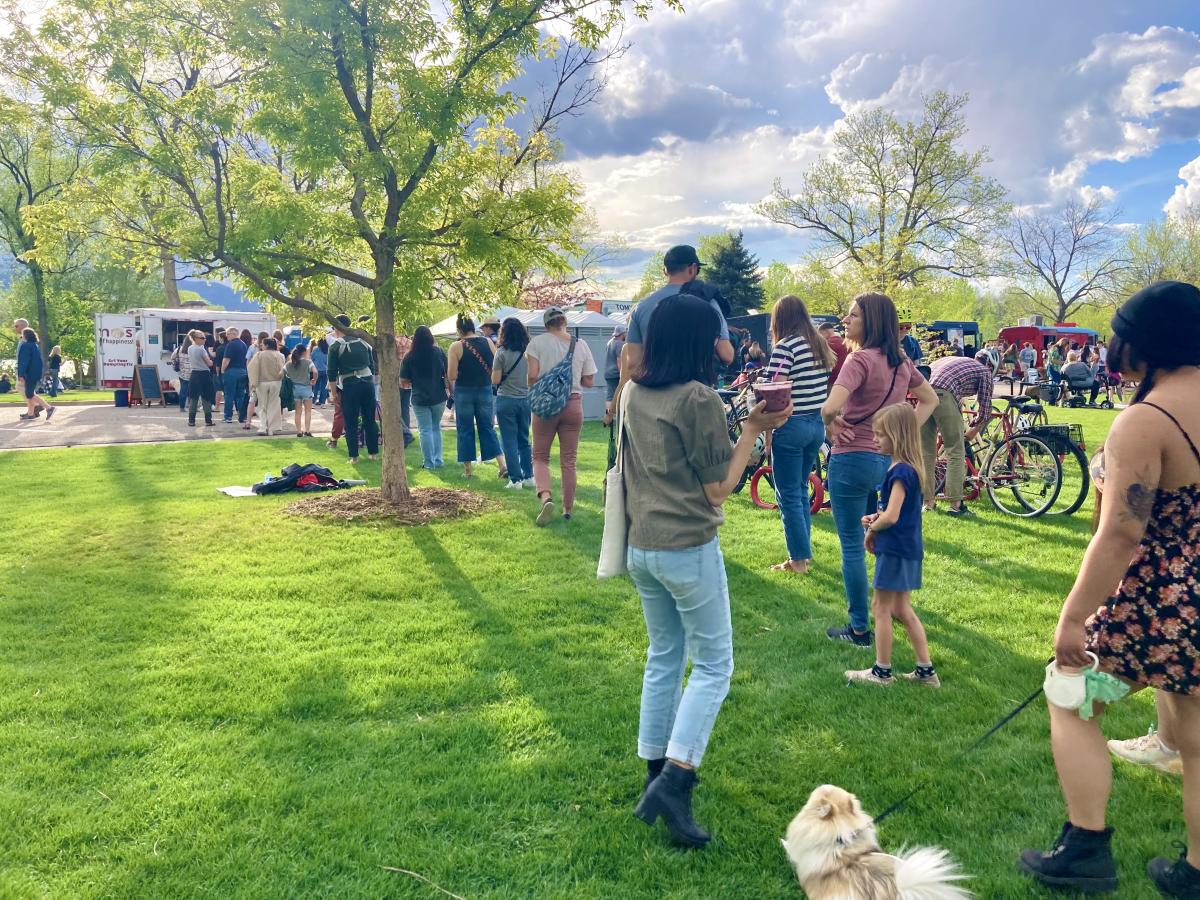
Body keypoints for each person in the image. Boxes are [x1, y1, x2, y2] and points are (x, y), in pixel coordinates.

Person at [1019, 281, 1200, 896]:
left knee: (1068, 694)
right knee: (1197, 738)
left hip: (1164, 599)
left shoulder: (1147, 420)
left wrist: (1073, 620)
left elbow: (1121, 534)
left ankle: (1086, 847)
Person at [624, 292, 792, 848]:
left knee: (664, 657)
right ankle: (676, 778)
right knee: (715, 666)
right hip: (686, 545)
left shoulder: (632, 392)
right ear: (698, 343)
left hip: (642, 544)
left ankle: (655, 774)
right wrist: (753, 431)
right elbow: (719, 486)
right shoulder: (696, 398)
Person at [820, 293, 937, 647]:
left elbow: (829, 406)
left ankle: (860, 628)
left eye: (853, 315)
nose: (845, 319)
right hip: (885, 462)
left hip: (852, 459)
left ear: (869, 322)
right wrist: (902, 434)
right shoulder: (901, 361)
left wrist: (831, 424)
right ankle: (887, 611)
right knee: (878, 537)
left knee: (853, 546)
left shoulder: (859, 360)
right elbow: (930, 399)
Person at [847, 402, 940, 687]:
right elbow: (894, 511)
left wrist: (873, 528)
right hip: (907, 550)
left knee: (880, 607)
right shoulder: (908, 470)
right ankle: (926, 672)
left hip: (896, 550)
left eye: (880, 435)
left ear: (897, 436)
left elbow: (893, 515)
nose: (875, 440)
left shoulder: (900, 472)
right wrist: (876, 516)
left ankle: (882, 672)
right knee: (901, 609)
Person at [764, 295, 833, 575]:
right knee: (800, 491)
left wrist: (768, 431)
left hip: (791, 426)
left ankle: (798, 560)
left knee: (789, 494)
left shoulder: (785, 347)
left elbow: (775, 394)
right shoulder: (819, 345)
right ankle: (803, 553)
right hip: (816, 426)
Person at [616, 244, 735, 407]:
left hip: (650, 400)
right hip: (694, 397)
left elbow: (633, 363)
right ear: (692, 268)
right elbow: (726, 355)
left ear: (665, 270)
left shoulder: (641, 307)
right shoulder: (707, 302)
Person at [528, 306, 596, 524]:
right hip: (573, 405)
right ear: (564, 322)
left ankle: (546, 497)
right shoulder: (581, 344)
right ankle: (568, 509)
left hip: (546, 406)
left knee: (540, 456)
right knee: (569, 460)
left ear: (546, 325)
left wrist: (543, 386)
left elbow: (532, 375)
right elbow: (589, 381)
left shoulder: (537, 343)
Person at [921, 354, 993, 517]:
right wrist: (973, 429)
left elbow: (956, 397)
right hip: (943, 394)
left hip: (923, 393)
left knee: (926, 452)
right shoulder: (984, 372)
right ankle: (956, 505)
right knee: (955, 451)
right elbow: (985, 410)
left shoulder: (955, 361)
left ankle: (928, 503)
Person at [447, 316, 505, 479]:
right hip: (485, 390)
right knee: (487, 427)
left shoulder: (456, 346)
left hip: (464, 391)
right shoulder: (487, 342)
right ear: (474, 328)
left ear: (459, 330)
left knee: (465, 429)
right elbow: (496, 365)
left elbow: (451, 375)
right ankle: (502, 465)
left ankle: (468, 471)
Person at [327, 315, 378, 463]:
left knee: (350, 421)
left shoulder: (336, 346)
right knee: (370, 419)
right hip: (367, 382)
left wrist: (333, 393)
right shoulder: (363, 342)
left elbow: (332, 373)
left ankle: (354, 456)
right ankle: (373, 453)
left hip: (350, 384)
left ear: (337, 327)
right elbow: (372, 365)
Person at [492, 317, 534, 489]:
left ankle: (515, 479)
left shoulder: (501, 353)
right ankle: (529, 476)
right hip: (525, 399)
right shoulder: (529, 352)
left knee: (509, 441)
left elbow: (495, 380)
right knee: (524, 439)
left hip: (506, 400)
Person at [400, 326, 450, 470]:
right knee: (435, 428)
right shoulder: (439, 352)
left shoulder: (409, 356)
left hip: (419, 397)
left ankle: (428, 463)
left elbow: (403, 380)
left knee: (425, 430)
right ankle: (438, 460)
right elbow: (446, 373)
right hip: (439, 395)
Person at [248, 336, 286, 436]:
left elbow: (252, 368)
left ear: (267, 345)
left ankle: (262, 427)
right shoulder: (280, 355)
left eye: (263, 344)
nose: (261, 345)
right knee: (274, 405)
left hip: (262, 382)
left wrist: (253, 383)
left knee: (262, 405)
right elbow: (283, 370)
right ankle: (272, 428)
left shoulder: (259, 355)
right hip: (276, 382)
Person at [16, 327, 53, 421]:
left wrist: (21, 374)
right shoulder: (34, 345)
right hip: (36, 372)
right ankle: (31, 414)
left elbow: (23, 361)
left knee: (29, 393)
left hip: (29, 373)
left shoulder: (25, 346)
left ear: (25, 336)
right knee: (30, 392)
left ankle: (49, 408)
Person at [185, 330, 215, 427]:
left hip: (194, 374)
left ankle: (191, 420)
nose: (204, 339)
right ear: (195, 339)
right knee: (206, 398)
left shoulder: (190, 348)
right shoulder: (201, 349)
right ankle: (208, 420)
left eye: (204, 337)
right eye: (202, 338)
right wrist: (212, 360)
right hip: (204, 374)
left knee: (193, 398)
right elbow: (209, 363)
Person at [285, 344, 316, 437]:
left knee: (298, 412)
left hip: (295, 389)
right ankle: (307, 430)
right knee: (308, 411)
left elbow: (281, 374)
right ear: (304, 352)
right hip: (306, 388)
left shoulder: (289, 363)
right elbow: (315, 372)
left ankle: (299, 431)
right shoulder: (308, 362)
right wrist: (314, 380)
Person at [220, 327, 249, 424]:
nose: (226, 336)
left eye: (228, 334)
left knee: (229, 395)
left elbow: (226, 359)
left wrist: (223, 370)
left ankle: (228, 417)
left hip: (232, 371)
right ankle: (242, 417)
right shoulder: (243, 344)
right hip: (242, 371)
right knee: (240, 395)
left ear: (233, 334)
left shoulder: (231, 344)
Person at [394, 331, 414, 447]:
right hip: (408, 379)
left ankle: (406, 433)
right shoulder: (411, 343)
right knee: (405, 408)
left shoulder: (393, 342)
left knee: (395, 408)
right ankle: (406, 432)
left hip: (396, 378)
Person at [603, 323, 627, 418]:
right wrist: (622, 373)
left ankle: (608, 417)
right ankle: (612, 417)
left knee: (610, 396)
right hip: (615, 373)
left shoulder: (610, 342)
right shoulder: (620, 344)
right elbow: (619, 360)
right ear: (623, 333)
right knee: (618, 395)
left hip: (608, 372)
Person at [170, 334, 192, 412]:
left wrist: (175, 366)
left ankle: (182, 407)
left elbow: (172, 358)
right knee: (192, 390)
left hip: (182, 373)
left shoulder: (179, 349)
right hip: (192, 373)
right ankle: (191, 405)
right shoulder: (192, 349)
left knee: (183, 390)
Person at [311, 337, 330, 407]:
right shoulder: (327, 350)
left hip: (316, 370)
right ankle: (322, 403)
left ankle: (313, 402)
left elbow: (312, 358)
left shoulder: (315, 349)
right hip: (325, 371)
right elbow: (328, 361)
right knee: (324, 387)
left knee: (315, 386)